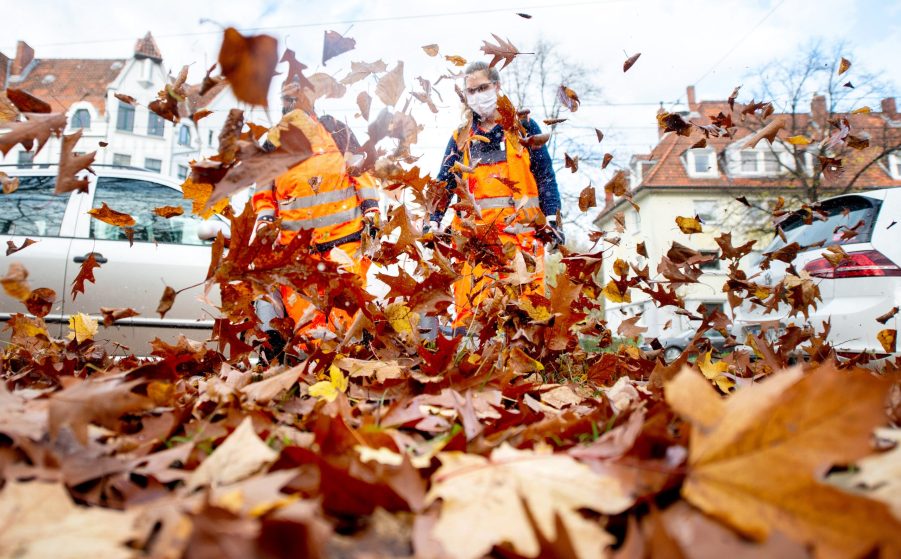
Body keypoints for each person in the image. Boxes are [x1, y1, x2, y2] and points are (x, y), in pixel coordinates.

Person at [429, 61, 563, 332]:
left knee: (524, 320)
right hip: (475, 247)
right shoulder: (461, 137)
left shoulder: (523, 127)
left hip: (521, 243)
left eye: (483, 88)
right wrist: (432, 221)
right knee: (473, 319)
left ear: (497, 86)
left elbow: (545, 175)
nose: (477, 96)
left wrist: (552, 218)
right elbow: (443, 183)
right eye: (471, 91)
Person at [253, 79, 381, 361]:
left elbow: (362, 171)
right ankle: (312, 388)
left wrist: (372, 210)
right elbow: (263, 191)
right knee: (307, 326)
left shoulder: (335, 129)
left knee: (344, 322)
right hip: (298, 253)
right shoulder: (272, 142)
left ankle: (348, 383)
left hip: (344, 244)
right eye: (288, 99)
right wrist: (264, 221)